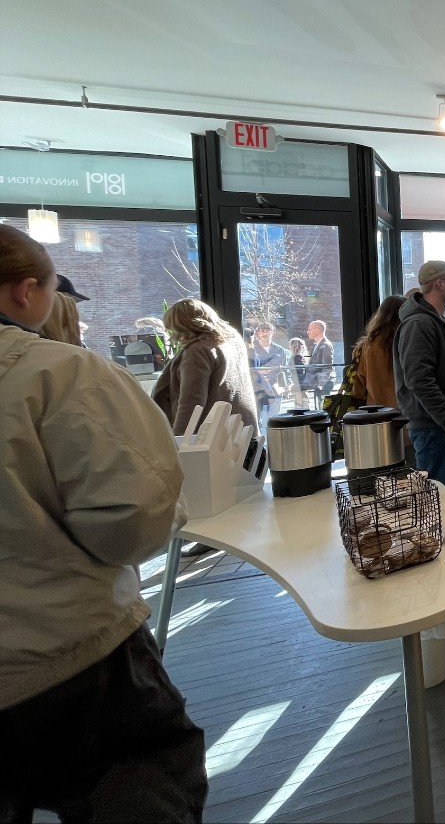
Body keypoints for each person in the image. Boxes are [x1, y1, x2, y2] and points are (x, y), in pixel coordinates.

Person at [0, 223, 207, 820]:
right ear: (24, 292)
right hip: (69, 654)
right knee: (141, 781)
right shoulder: (59, 375)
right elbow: (131, 520)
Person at [394, 261, 445, 487]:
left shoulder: (444, 321)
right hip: (434, 429)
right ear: (440, 283)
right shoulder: (419, 324)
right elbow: (419, 380)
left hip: (443, 425)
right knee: (441, 499)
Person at [153, 298, 257, 435]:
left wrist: (178, 443)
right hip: (244, 432)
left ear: (180, 327)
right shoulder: (232, 340)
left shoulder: (197, 351)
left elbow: (191, 403)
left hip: (213, 441)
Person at [351, 294, 406, 409]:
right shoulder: (407, 342)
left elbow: (358, 386)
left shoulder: (366, 346)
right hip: (406, 412)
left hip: (376, 414)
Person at [250, 322, 290, 430]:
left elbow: (286, 369)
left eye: (267, 330)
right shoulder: (252, 349)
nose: (264, 333)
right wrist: (258, 371)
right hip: (258, 389)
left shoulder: (280, 350)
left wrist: (288, 384)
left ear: (272, 332)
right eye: (261, 331)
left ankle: (273, 443)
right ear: (258, 333)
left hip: (276, 389)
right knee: (257, 420)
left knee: (274, 420)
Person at [305, 320, 335, 407]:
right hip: (320, 383)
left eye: (309, 329)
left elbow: (327, 367)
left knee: (322, 409)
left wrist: (320, 384)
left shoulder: (325, 345)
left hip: (324, 384)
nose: (307, 332)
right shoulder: (317, 345)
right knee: (318, 407)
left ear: (317, 330)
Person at [287, 337, 309, 407]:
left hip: (299, 385)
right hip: (299, 384)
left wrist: (295, 384)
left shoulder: (297, 357)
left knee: (301, 404)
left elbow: (300, 372)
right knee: (300, 403)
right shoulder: (298, 356)